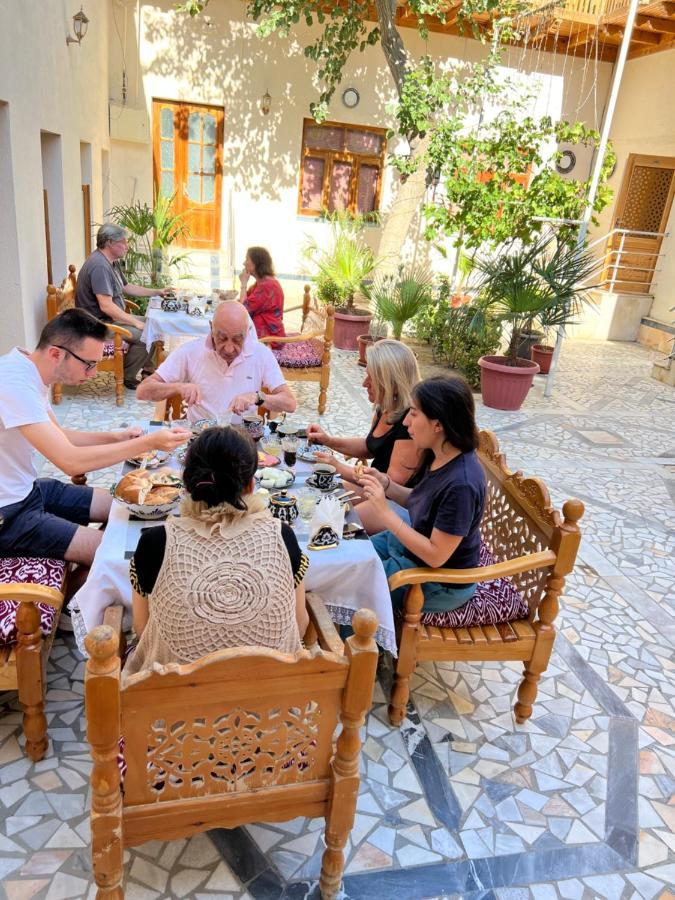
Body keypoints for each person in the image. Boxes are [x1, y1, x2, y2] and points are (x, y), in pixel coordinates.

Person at [0, 310, 190, 582]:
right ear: (56, 353)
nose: (93, 373)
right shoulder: (14, 384)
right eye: (89, 364)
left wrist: (115, 437)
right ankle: (73, 611)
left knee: (128, 503)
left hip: (29, 490)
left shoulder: (27, 367)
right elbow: (71, 461)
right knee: (118, 553)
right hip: (9, 515)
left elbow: (61, 436)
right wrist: (148, 442)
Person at [124, 426, 309, 678]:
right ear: (252, 485)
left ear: (188, 485)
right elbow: (300, 624)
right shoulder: (282, 536)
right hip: (269, 706)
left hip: (176, 708)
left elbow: (142, 627)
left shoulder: (155, 543)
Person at [359, 375, 486, 614]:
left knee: (354, 590)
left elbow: (436, 555)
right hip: (411, 549)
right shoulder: (441, 453)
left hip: (440, 580)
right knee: (351, 555)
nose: (406, 422)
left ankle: (361, 650)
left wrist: (385, 513)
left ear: (438, 424)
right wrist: (386, 484)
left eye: (414, 413)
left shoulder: (462, 485)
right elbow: (421, 501)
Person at [307, 340, 423, 533]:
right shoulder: (386, 407)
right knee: (323, 497)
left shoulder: (410, 424)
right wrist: (327, 440)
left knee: (334, 524)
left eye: (372, 378)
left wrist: (337, 467)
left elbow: (389, 485)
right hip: (374, 490)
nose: (364, 383)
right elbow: (370, 447)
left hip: (396, 503)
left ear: (392, 383)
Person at [137, 301, 296, 423]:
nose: (228, 348)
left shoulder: (261, 354)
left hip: (242, 440)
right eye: (222, 338)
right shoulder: (190, 351)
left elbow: (290, 403)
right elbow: (143, 391)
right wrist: (179, 387)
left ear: (247, 333)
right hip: (201, 437)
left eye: (237, 340)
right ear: (211, 328)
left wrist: (257, 398)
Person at [75, 223, 170, 390]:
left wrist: (157, 291)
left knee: (154, 325)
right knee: (145, 334)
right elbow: (106, 306)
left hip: (110, 318)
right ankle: (128, 376)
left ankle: (148, 370)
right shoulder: (99, 266)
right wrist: (135, 322)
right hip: (97, 325)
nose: (127, 246)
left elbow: (127, 287)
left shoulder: (110, 262)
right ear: (110, 242)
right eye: (124, 242)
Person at [238, 246, 286, 341]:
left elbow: (243, 311)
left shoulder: (267, 286)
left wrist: (243, 283)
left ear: (256, 263)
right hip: (261, 334)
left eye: (247, 259)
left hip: (269, 338)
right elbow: (243, 303)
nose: (244, 263)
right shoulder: (261, 283)